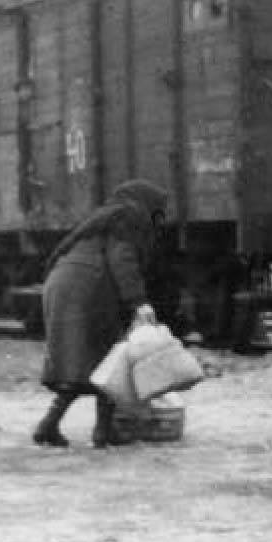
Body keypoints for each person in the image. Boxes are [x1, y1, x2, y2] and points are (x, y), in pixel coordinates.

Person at [34, 179, 169, 448]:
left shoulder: (107, 217)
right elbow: (122, 259)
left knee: (87, 363)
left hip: (64, 284)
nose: (161, 217)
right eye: (159, 209)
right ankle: (101, 431)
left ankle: (51, 426)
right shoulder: (129, 218)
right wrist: (138, 301)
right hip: (87, 288)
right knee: (109, 360)